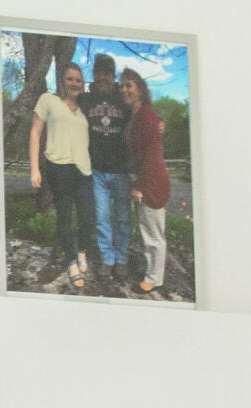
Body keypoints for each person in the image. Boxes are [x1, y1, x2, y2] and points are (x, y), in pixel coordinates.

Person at [28, 64, 94, 287]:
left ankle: (82, 250)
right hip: (58, 167)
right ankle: (71, 262)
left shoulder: (85, 108)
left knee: (88, 219)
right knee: (65, 217)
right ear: (62, 81)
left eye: (78, 80)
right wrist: (34, 168)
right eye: (70, 79)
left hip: (84, 169)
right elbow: (36, 132)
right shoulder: (48, 100)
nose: (75, 83)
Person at [82, 50, 136, 292]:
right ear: (93, 74)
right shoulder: (86, 99)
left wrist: (159, 119)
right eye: (99, 72)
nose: (103, 77)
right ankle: (108, 259)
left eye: (107, 73)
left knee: (123, 218)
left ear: (113, 75)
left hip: (121, 171)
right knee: (102, 218)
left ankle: (122, 258)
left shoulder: (122, 97)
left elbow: (141, 106)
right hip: (98, 172)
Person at [125, 69, 174, 298]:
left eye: (129, 85)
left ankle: (154, 279)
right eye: (122, 86)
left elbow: (151, 156)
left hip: (152, 181)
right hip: (145, 178)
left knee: (153, 234)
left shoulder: (147, 116)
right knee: (148, 230)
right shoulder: (137, 115)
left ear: (140, 89)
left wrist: (140, 186)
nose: (125, 89)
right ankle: (153, 274)